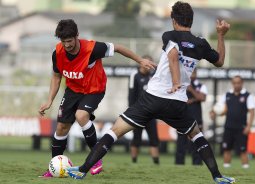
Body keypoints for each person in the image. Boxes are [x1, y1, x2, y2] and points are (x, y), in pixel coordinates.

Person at [67, 2, 234, 183]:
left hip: (153, 98)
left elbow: (172, 56)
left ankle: (83, 169)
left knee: (115, 131)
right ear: (191, 21)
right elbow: (220, 61)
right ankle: (217, 176)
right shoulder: (200, 44)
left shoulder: (169, 35)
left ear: (173, 20)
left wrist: (176, 81)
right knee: (197, 135)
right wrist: (220, 35)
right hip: (176, 103)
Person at [38, 19, 155, 178]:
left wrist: (140, 60)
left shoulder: (93, 48)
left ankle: (95, 160)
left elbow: (118, 48)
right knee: (61, 128)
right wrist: (50, 100)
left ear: (77, 35)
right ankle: (53, 168)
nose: (67, 45)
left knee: (81, 115)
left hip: (94, 89)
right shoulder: (57, 53)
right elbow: (56, 77)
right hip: (73, 90)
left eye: (70, 41)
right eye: (64, 41)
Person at [210, 75, 255, 169]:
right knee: (226, 149)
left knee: (243, 150)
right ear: (232, 83)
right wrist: (213, 112)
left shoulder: (247, 95)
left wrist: (249, 126)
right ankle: (226, 169)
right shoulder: (227, 95)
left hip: (241, 128)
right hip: (228, 127)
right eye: (234, 83)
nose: (236, 85)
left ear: (242, 83)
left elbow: (252, 112)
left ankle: (246, 169)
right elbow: (219, 109)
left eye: (238, 83)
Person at [129, 55, 160, 165]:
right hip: (138, 112)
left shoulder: (153, 75)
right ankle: (134, 161)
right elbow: (131, 95)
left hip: (151, 113)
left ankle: (156, 163)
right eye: (148, 63)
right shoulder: (134, 75)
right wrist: (132, 111)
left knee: (154, 138)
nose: (150, 65)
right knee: (136, 138)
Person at [175, 69, 207, 165]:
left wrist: (191, 90)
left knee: (197, 141)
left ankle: (197, 163)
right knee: (181, 142)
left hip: (196, 117)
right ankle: (179, 164)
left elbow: (202, 98)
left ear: (196, 74)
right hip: (182, 117)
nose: (191, 75)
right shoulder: (181, 84)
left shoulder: (201, 86)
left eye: (193, 73)